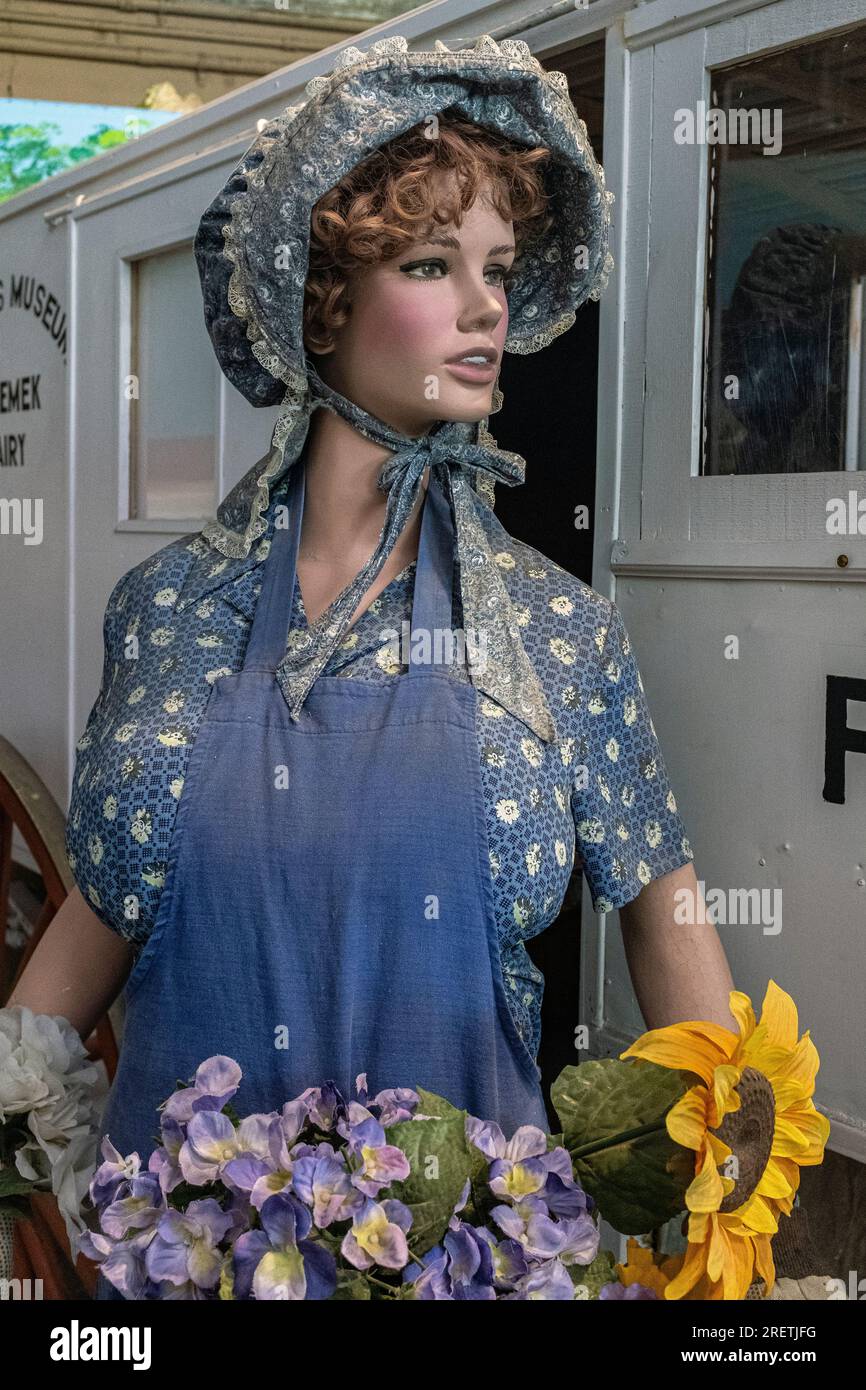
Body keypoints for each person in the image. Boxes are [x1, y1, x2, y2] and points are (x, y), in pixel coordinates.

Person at [10, 34, 735, 1301]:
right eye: (427, 263)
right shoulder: (167, 610)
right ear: (321, 298)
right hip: (172, 1268)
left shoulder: (554, 632)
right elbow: (106, 906)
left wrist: (730, 1160)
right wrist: (19, 1110)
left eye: (498, 269)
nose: (484, 306)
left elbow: (660, 898)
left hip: (465, 1263)